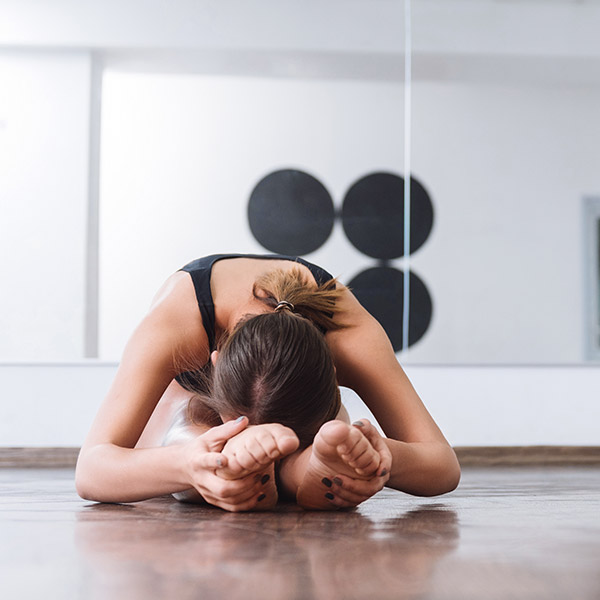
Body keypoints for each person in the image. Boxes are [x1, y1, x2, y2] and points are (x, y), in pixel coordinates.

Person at [75, 253, 460, 511]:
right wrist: (186, 463)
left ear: (335, 371)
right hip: (192, 403)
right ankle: (291, 464)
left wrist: (385, 456)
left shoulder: (351, 338)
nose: (266, 447)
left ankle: (308, 461)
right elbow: (92, 469)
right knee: (186, 427)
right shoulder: (180, 324)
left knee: (334, 438)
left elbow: (443, 465)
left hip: (312, 407)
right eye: (241, 428)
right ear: (215, 362)